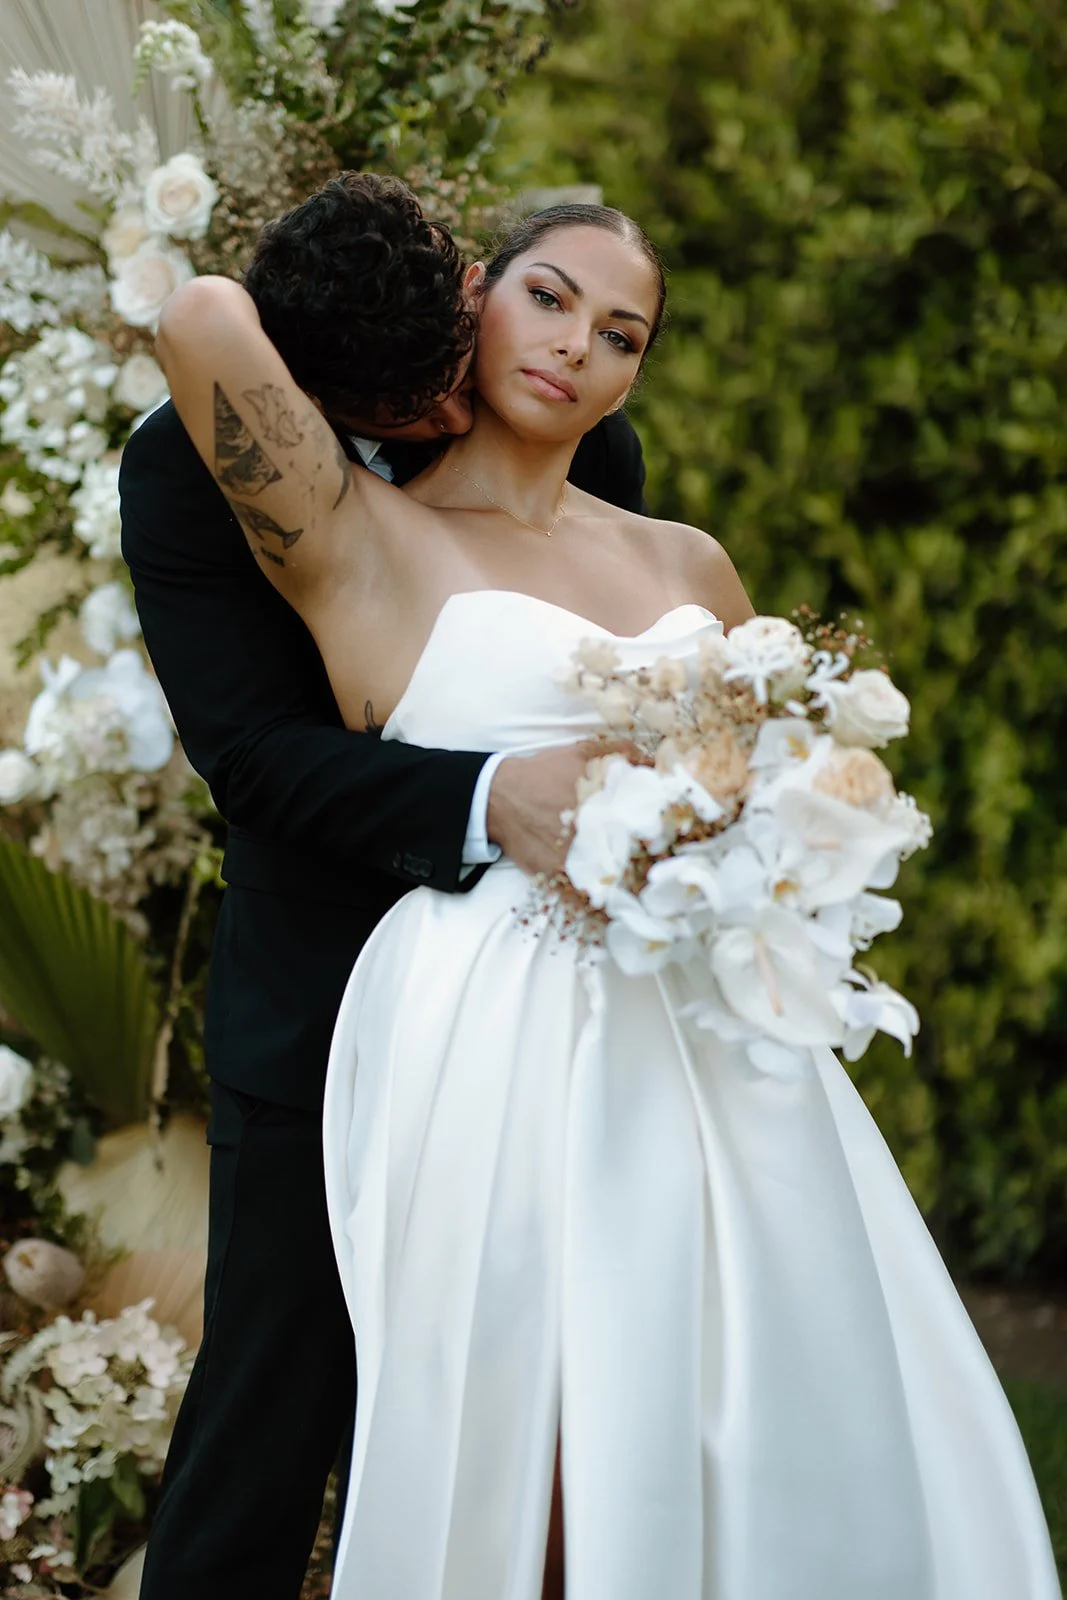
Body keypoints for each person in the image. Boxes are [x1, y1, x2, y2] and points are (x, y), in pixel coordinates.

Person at [155, 196, 1060, 1600]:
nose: (577, 347)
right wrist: (495, 798)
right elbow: (207, 321)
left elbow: (758, 778)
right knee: (408, 1427)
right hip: (452, 1022)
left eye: (620, 331)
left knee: (734, 1405)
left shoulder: (676, 553)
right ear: (476, 295)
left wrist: (771, 833)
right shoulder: (354, 533)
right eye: (550, 298)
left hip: (696, 1032)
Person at [119, 174, 650, 1600]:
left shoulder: (587, 441)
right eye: (407, 413)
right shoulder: (187, 467)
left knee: (524, 1413)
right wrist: (489, 804)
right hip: (319, 1006)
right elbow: (257, 763)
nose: (451, 416)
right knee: (269, 1418)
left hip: (544, 1019)